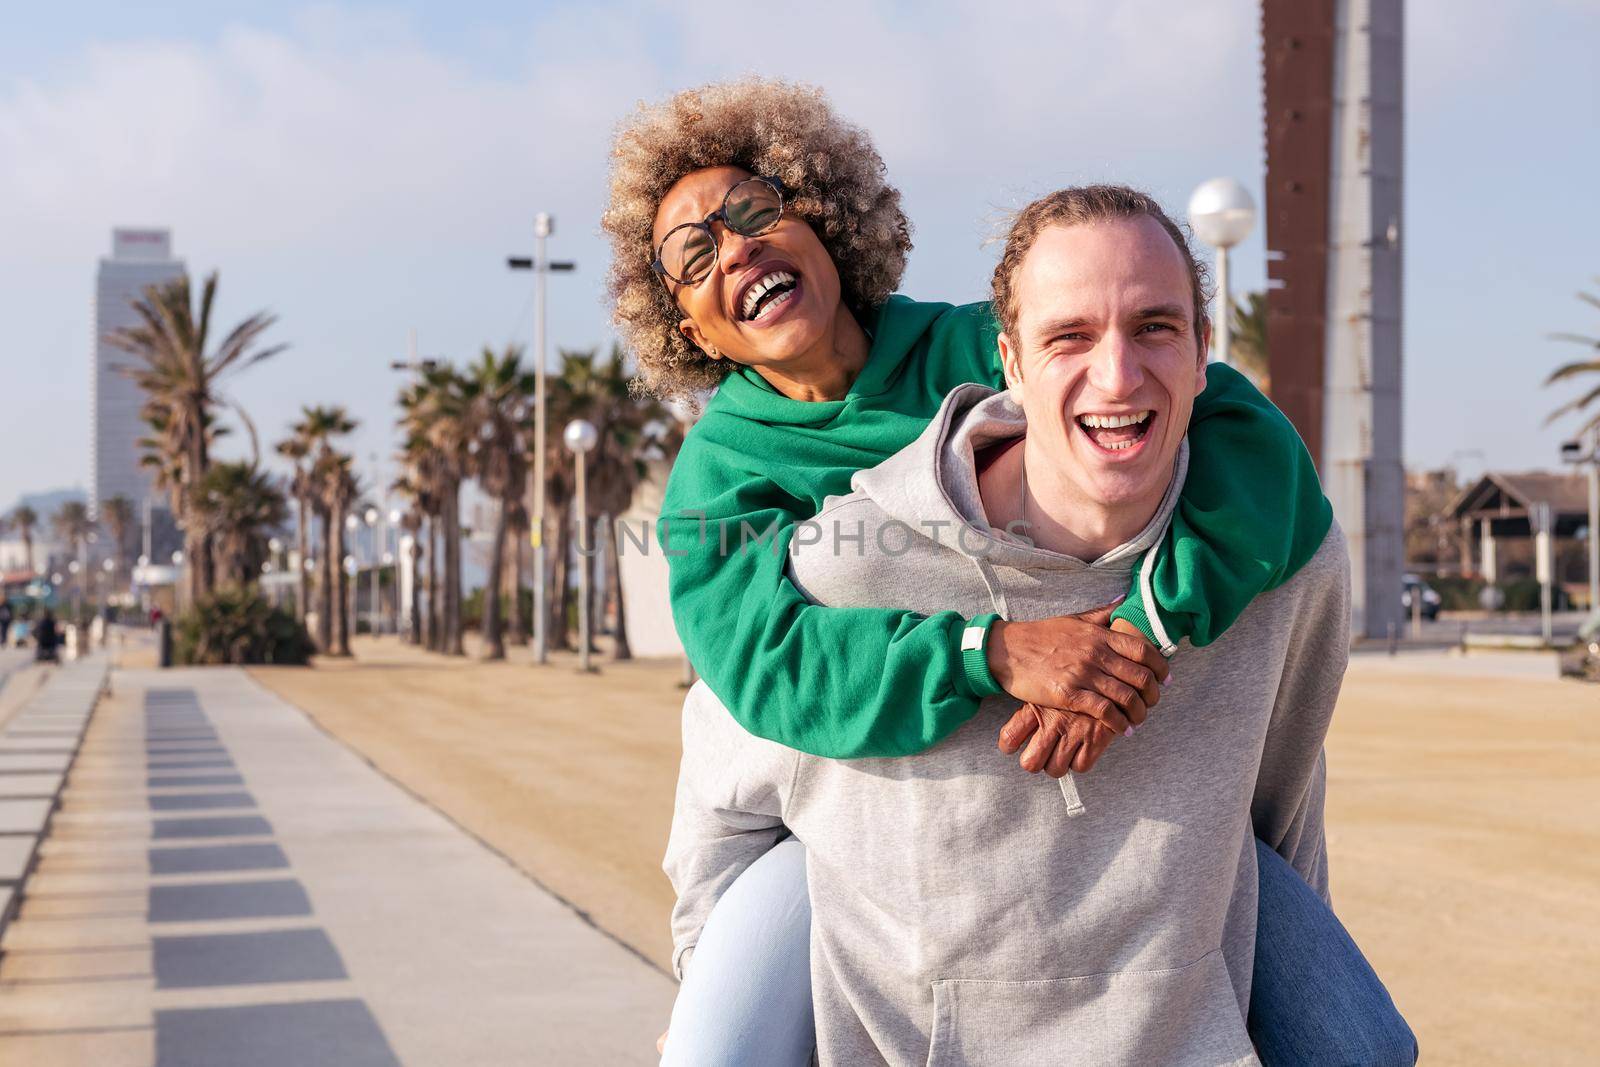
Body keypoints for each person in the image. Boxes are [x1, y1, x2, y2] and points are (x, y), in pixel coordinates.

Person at [664, 186, 1414, 1065]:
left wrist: (1145, 623)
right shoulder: (746, 499)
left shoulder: (973, 340)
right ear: (693, 335)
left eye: (753, 213)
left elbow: (1277, 794)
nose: (1115, 372)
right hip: (870, 903)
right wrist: (987, 647)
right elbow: (754, 681)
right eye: (693, 254)